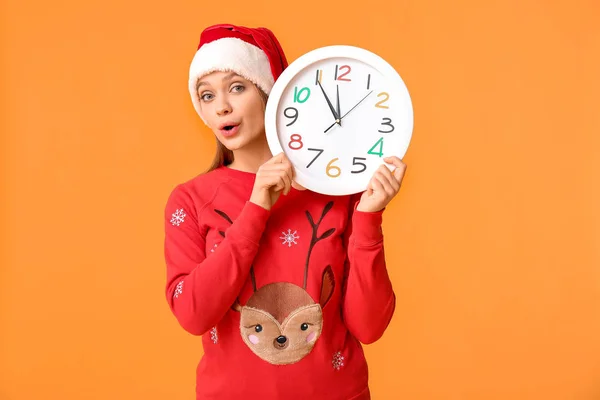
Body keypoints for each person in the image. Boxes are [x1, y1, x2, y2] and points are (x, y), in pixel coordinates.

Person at [163, 23, 407, 400]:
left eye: (237, 87)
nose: (222, 106)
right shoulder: (191, 200)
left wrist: (368, 219)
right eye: (207, 95)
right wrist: (256, 208)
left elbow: (370, 326)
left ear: (271, 92)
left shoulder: (337, 190)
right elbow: (193, 314)